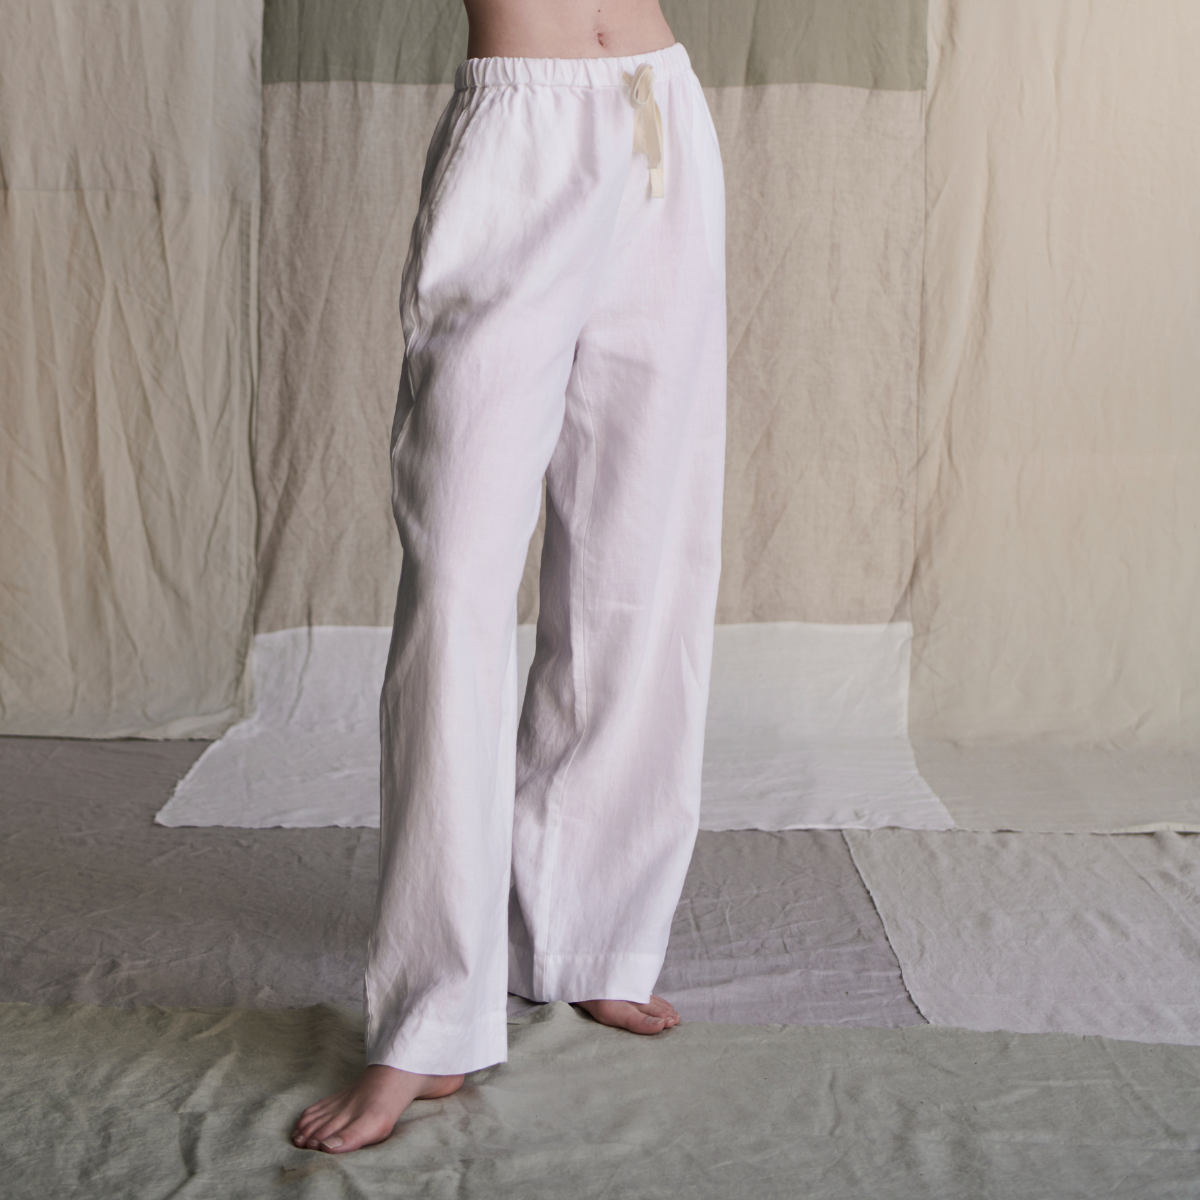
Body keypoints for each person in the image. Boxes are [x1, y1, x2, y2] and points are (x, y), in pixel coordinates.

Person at [292, 0, 726, 1154]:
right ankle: (432, 1013)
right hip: (522, 134)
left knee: (643, 561)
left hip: (661, 113)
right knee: (458, 588)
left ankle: (590, 933)